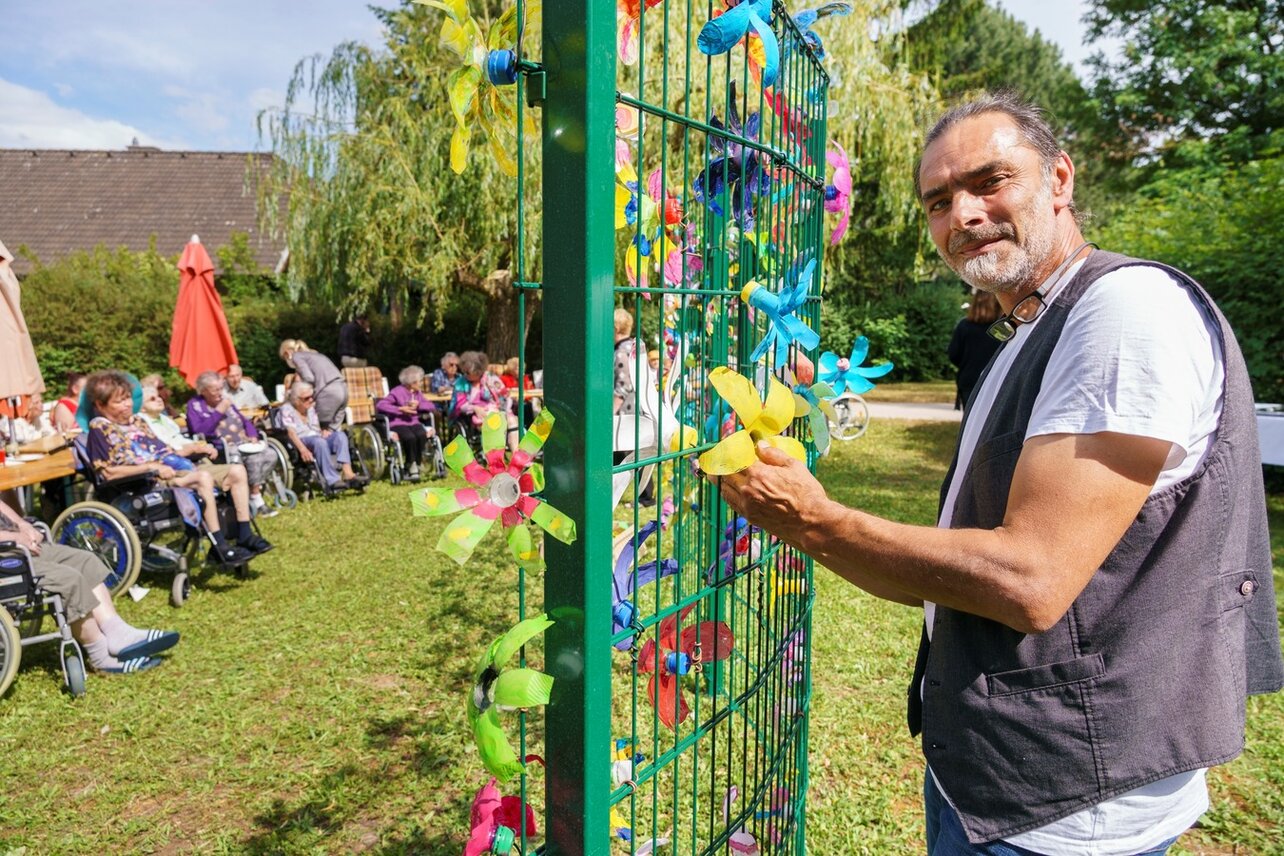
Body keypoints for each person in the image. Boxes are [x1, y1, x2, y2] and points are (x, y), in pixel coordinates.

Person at [715, 91, 1282, 855]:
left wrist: (813, 518)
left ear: (1059, 179)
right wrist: (810, 523)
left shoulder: (1124, 313)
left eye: (990, 182)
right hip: (996, 778)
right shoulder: (1029, 327)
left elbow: (1029, 579)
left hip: (1068, 810)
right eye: (939, 201)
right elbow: (951, 562)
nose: (964, 214)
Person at [83, 371, 265, 563]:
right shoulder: (100, 429)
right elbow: (108, 472)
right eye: (119, 402)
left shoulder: (137, 422)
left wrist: (195, 447)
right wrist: (150, 467)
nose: (127, 404)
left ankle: (245, 534)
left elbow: (165, 450)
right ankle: (219, 546)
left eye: (127, 398)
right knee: (202, 478)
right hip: (149, 482)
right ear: (100, 405)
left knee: (237, 470)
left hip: (175, 466)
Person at [1, 500, 179, 674]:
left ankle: (116, 631)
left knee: (86, 561)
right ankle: (99, 655)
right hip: (6, 555)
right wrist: (16, 537)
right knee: (68, 580)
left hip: (16, 546)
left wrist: (23, 525)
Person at [185, 371, 278, 518]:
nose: (220, 392)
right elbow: (199, 431)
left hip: (244, 442)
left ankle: (251, 489)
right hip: (221, 448)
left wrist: (253, 435)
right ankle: (256, 498)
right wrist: (219, 411)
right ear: (203, 391)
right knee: (254, 459)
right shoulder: (195, 406)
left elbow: (245, 421)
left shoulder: (226, 400)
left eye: (221, 388)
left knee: (271, 454)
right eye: (215, 389)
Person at [279, 382, 366, 490]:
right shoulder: (287, 409)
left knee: (340, 436)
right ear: (296, 400)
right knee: (319, 442)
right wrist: (303, 450)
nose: (311, 400)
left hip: (317, 438)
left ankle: (348, 473)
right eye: (306, 398)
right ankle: (332, 480)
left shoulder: (310, 408)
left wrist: (322, 431)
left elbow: (316, 428)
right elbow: (291, 433)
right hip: (300, 440)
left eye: (312, 396)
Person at [375, 365, 437, 482]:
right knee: (409, 437)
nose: (420, 383)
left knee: (421, 434)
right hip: (398, 423)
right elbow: (381, 405)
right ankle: (410, 463)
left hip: (414, 422)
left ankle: (417, 462)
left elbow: (431, 406)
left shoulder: (418, 394)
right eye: (419, 381)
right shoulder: (397, 392)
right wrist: (400, 409)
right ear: (411, 382)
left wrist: (419, 405)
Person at [449, 350, 517, 452]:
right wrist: (475, 408)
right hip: (474, 417)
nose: (465, 374)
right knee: (492, 423)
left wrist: (504, 408)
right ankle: (495, 456)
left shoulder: (491, 379)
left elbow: (505, 395)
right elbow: (459, 404)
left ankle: (516, 454)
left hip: (496, 411)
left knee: (512, 420)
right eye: (465, 371)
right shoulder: (460, 383)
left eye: (469, 372)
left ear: (479, 371)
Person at [946, 290, 1003, 411]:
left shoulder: (964, 326)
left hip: (969, 378)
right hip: (996, 379)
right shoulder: (1002, 328)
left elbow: (953, 354)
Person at [280, 340, 348, 431]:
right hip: (343, 389)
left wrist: (294, 392)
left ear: (287, 353)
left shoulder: (297, 356)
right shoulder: (314, 355)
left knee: (317, 429)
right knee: (332, 431)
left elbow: (309, 378)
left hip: (328, 393)